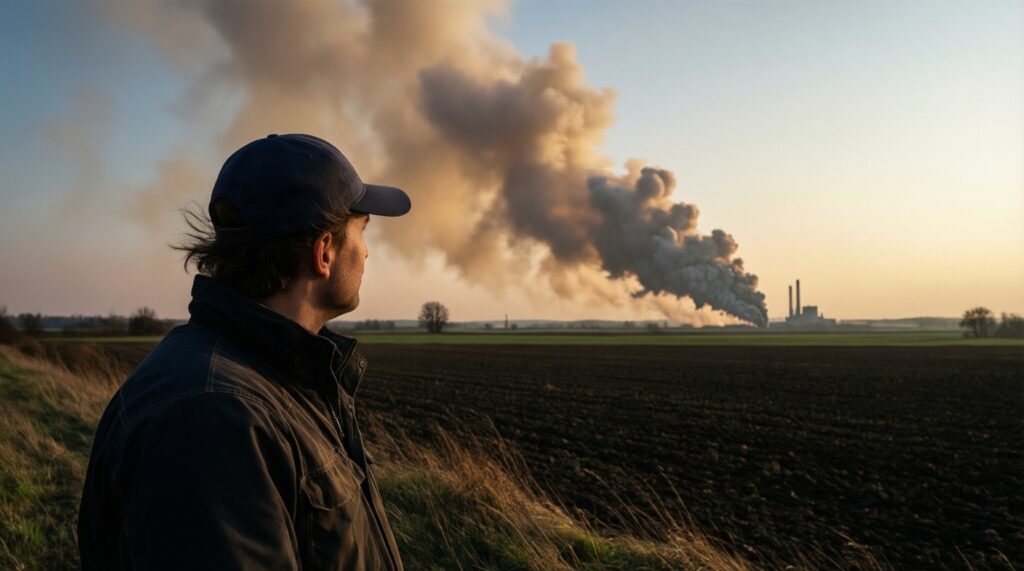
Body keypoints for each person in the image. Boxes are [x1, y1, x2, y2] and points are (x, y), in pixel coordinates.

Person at [77, 133, 410, 570]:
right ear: (323, 252)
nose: (366, 253)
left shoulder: (274, 377)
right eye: (361, 232)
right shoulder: (212, 418)